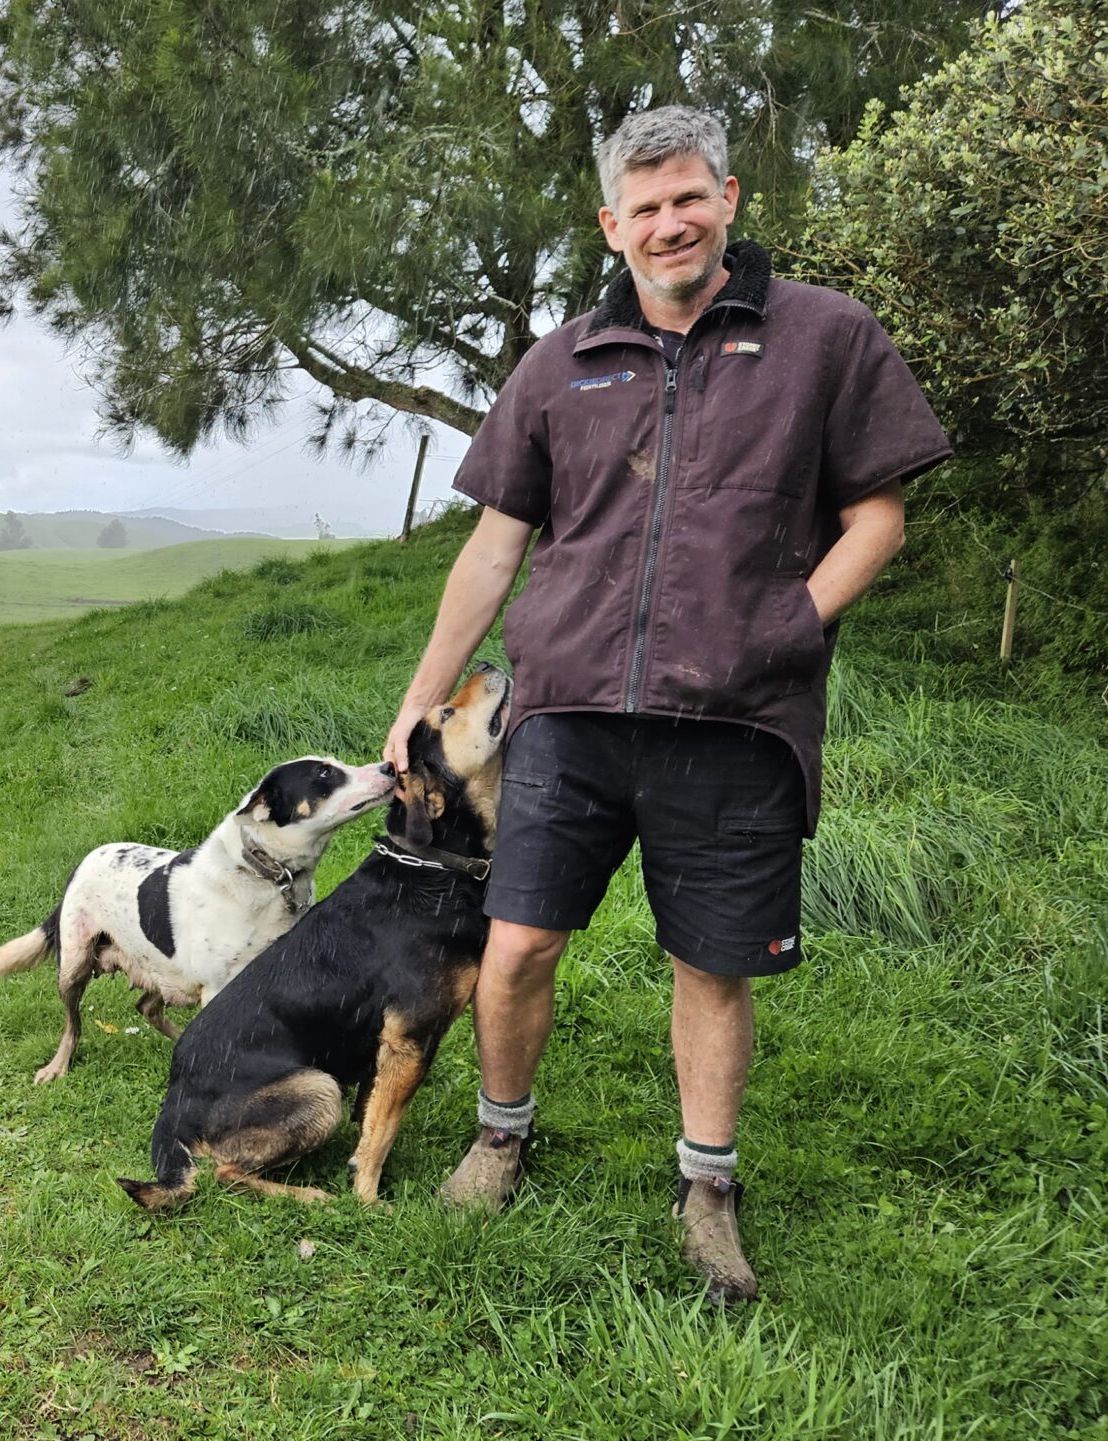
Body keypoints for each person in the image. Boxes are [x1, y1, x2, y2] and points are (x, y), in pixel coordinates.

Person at [381, 106, 951, 1305]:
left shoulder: (825, 338)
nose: (668, 222)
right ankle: (498, 1134)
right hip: (569, 709)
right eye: (642, 207)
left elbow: (879, 515)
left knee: (711, 962)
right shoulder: (560, 359)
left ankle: (707, 1186)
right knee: (520, 941)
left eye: (687, 197)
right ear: (610, 225)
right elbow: (494, 546)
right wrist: (426, 696)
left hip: (737, 719)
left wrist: (788, 628)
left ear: (729, 199)